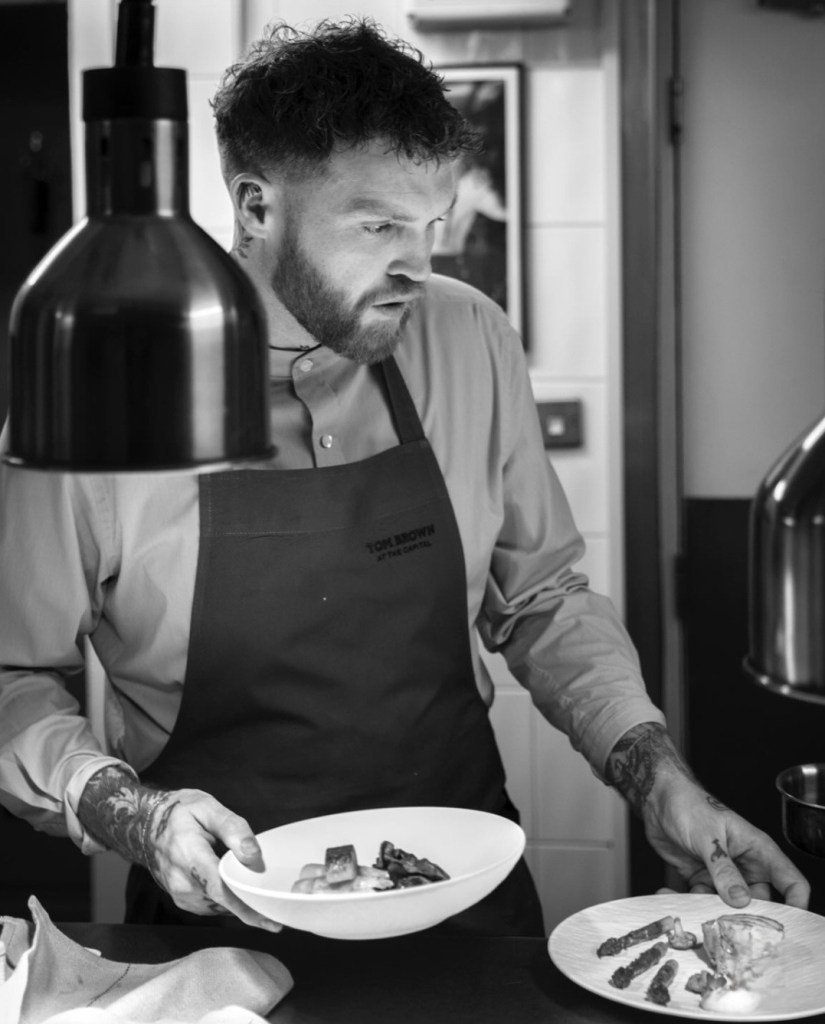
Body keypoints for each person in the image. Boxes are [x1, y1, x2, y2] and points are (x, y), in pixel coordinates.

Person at [0, 18, 809, 935]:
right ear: (256, 207)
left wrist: (657, 775)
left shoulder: (468, 337)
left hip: (462, 905)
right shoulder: (99, 392)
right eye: (379, 225)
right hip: (218, 919)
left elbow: (542, 601)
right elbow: (13, 675)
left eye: (432, 225)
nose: (418, 268)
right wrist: (131, 812)